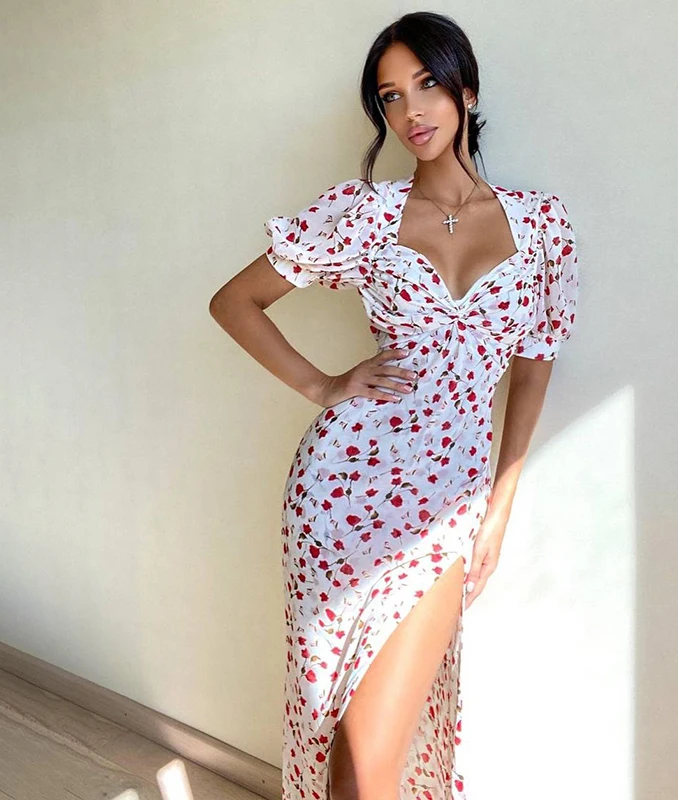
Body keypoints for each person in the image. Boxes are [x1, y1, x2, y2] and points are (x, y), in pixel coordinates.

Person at [209, 11, 579, 800]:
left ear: (466, 91)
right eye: (390, 96)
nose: (411, 110)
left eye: (427, 84)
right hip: (342, 490)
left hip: (448, 500)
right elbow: (235, 302)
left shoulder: (541, 224)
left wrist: (498, 508)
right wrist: (324, 386)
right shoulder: (366, 213)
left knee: (371, 754)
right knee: (346, 742)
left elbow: (534, 366)